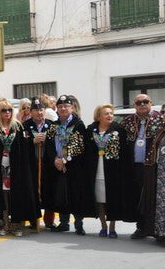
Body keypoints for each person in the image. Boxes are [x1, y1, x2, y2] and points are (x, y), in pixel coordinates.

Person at [0, 99, 39, 237]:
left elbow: (25, 148)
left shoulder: (18, 127)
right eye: (4, 110)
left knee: (15, 194)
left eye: (10, 110)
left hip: (16, 167)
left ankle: (16, 224)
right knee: (2, 195)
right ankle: (4, 223)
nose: (7, 112)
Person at [42, 95, 92, 234]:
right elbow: (50, 145)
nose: (63, 109)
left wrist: (64, 160)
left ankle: (79, 224)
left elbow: (78, 145)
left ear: (72, 108)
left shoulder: (78, 124)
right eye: (60, 106)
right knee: (61, 194)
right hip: (57, 165)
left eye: (66, 106)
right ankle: (64, 223)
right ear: (56, 109)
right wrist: (55, 160)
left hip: (74, 166)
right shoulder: (54, 125)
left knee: (76, 194)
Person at [120, 93, 160, 239]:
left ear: (151, 102)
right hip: (134, 166)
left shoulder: (159, 119)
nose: (142, 104)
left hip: (154, 166)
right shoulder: (127, 121)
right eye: (139, 102)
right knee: (137, 196)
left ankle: (155, 229)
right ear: (134, 105)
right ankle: (141, 227)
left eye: (145, 102)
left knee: (152, 197)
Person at [85, 104, 126, 238]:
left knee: (111, 198)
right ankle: (103, 226)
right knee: (100, 200)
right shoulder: (91, 130)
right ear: (99, 116)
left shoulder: (118, 129)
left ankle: (112, 227)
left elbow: (124, 152)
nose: (109, 116)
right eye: (106, 113)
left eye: (111, 113)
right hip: (96, 170)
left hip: (113, 171)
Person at [24, 97, 54, 230]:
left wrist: (47, 140)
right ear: (31, 112)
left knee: (49, 190)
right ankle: (33, 219)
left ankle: (49, 220)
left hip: (47, 163)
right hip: (32, 163)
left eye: (41, 110)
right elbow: (22, 144)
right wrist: (32, 141)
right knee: (32, 191)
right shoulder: (25, 126)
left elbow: (55, 144)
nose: (39, 113)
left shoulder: (51, 125)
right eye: (35, 110)